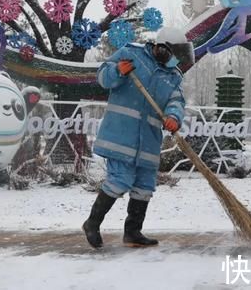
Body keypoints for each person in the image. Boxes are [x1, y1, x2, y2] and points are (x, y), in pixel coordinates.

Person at [82, 27, 195, 248]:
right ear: (162, 49)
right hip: (121, 136)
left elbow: (176, 101)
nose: (176, 62)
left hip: (148, 141)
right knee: (119, 180)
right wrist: (117, 70)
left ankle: (133, 232)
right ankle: (92, 223)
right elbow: (103, 77)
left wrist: (173, 116)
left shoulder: (172, 77)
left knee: (144, 186)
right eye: (174, 55)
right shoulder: (131, 54)